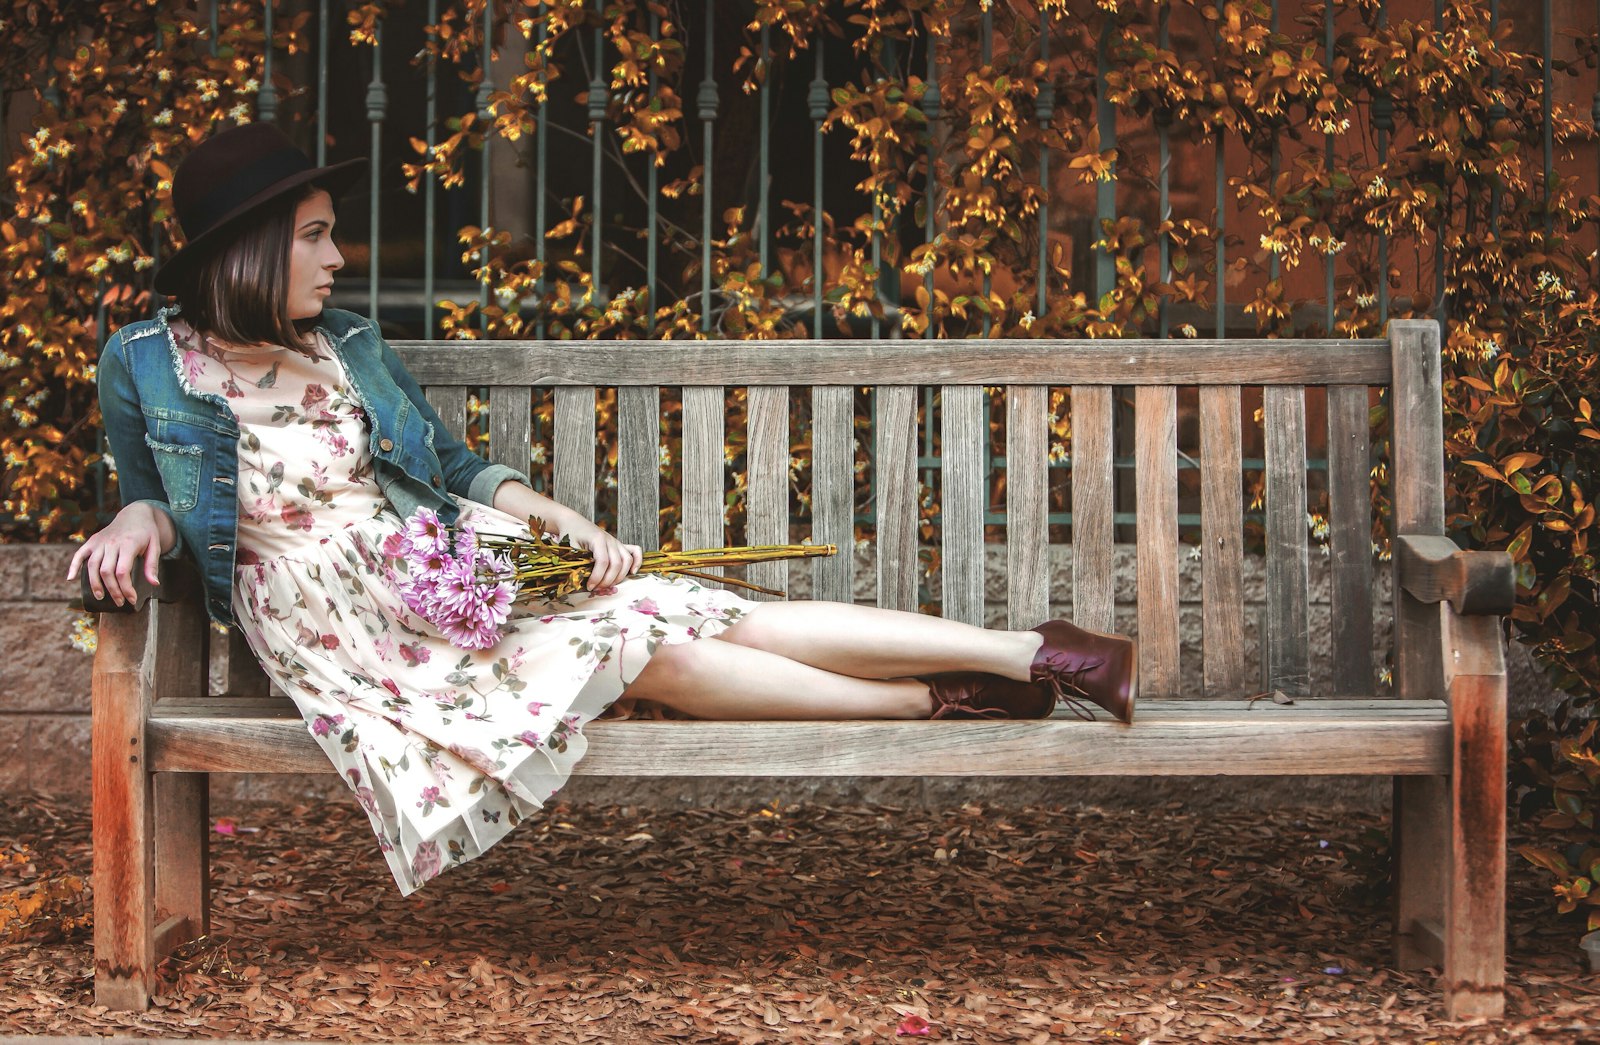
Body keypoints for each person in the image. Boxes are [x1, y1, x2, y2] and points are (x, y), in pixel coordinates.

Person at [67, 123, 1137, 895]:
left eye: (330, 234)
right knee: (645, 642)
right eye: (315, 235)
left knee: (679, 602)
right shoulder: (148, 362)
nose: (338, 256)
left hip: (447, 560)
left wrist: (556, 522)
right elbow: (156, 502)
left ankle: (1028, 654)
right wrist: (134, 523)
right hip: (353, 624)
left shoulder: (343, 344)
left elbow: (448, 465)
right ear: (250, 244)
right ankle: (930, 698)